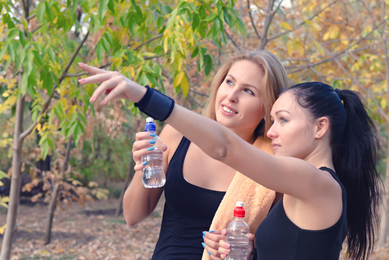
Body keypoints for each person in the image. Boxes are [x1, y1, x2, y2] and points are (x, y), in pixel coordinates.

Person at [79, 74, 381, 260]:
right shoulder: (305, 186)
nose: (272, 132)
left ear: (320, 128)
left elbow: (225, 147)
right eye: (273, 121)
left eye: (284, 120)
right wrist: (247, 251)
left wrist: (144, 97)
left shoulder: (315, 181)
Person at [78, 50, 289, 259]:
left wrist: (249, 251)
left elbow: (283, 247)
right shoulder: (177, 135)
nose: (231, 96)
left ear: (268, 107)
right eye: (229, 82)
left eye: (248, 91)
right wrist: (145, 168)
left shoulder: (272, 164)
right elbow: (132, 216)